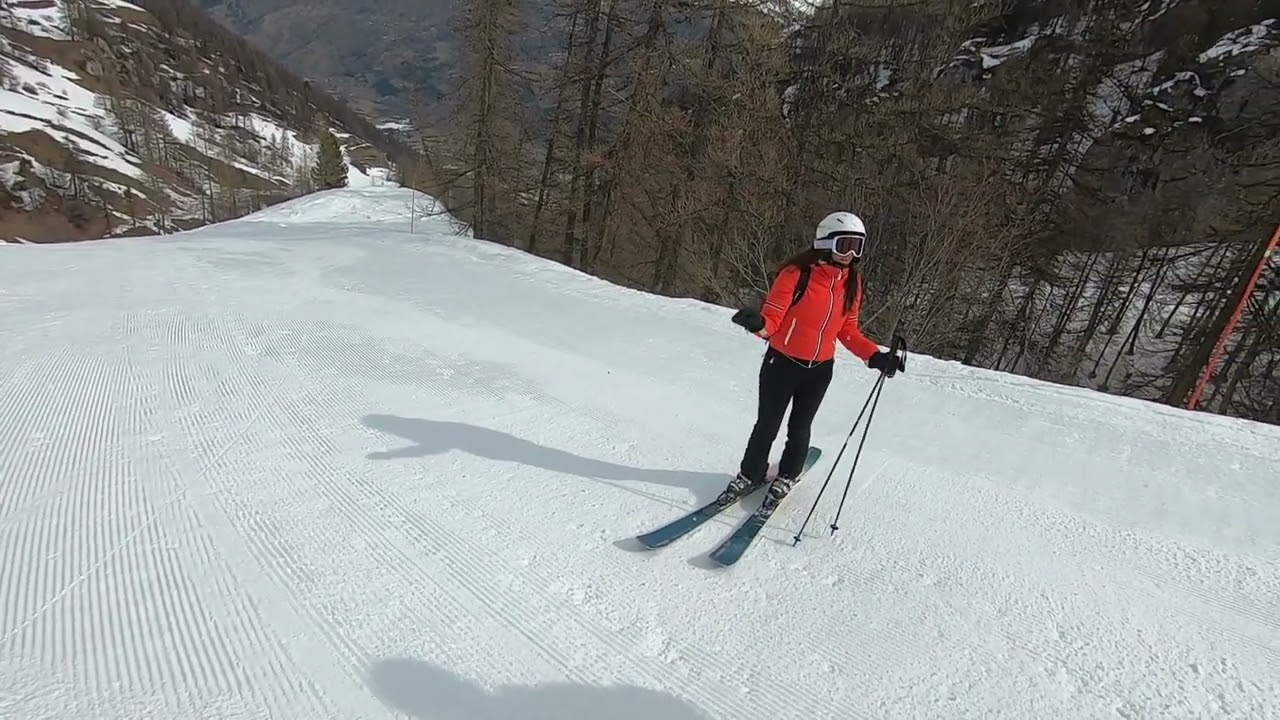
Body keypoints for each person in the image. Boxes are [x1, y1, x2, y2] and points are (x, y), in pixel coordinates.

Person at [724, 211, 904, 505]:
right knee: (768, 424)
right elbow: (774, 320)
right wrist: (757, 324)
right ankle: (750, 473)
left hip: (819, 370)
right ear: (824, 241)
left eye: (857, 246)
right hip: (781, 364)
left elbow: (847, 331)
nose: (850, 254)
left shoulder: (853, 284)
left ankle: (787, 475)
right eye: (844, 244)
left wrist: (876, 357)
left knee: (800, 427)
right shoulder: (796, 274)